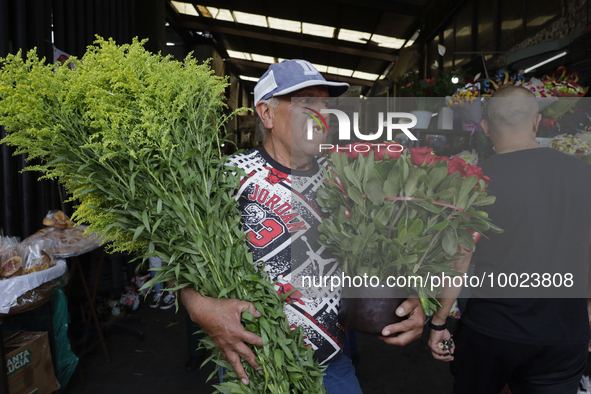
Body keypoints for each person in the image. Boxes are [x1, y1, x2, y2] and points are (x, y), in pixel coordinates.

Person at [179, 59, 425, 392]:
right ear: (266, 113)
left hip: (331, 364)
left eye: (325, 104)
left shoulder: (345, 176)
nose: (321, 114)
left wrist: (413, 298)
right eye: (306, 102)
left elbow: (379, 256)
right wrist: (201, 308)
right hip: (255, 366)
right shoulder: (227, 176)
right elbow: (179, 256)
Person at [428, 86, 591, 393]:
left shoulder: (474, 180)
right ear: (537, 121)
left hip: (492, 330)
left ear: (486, 126)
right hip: (565, 334)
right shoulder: (583, 174)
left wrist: (439, 321)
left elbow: (458, 259)